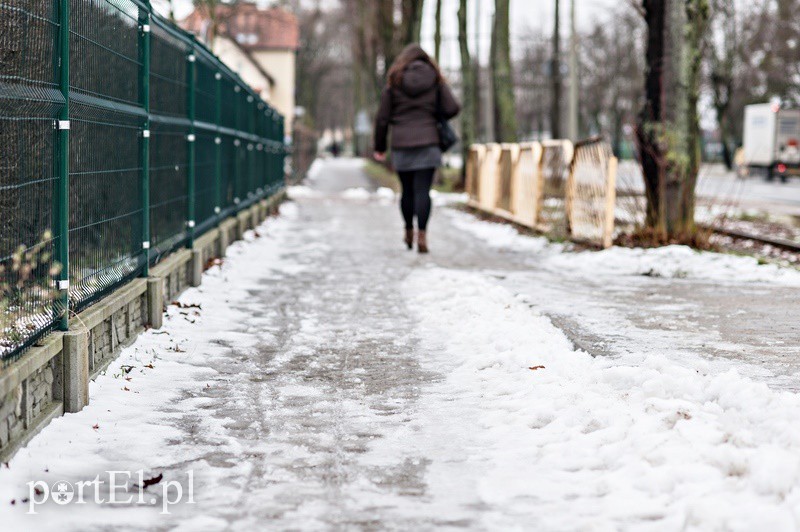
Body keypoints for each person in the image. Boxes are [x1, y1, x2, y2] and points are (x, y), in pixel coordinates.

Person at [373, 44, 460, 254]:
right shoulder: (435, 80)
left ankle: (408, 231)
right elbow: (453, 108)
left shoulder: (394, 81)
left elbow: (382, 118)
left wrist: (380, 146)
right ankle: (422, 235)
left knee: (407, 192)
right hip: (429, 142)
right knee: (423, 191)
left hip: (402, 144)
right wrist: (434, 111)